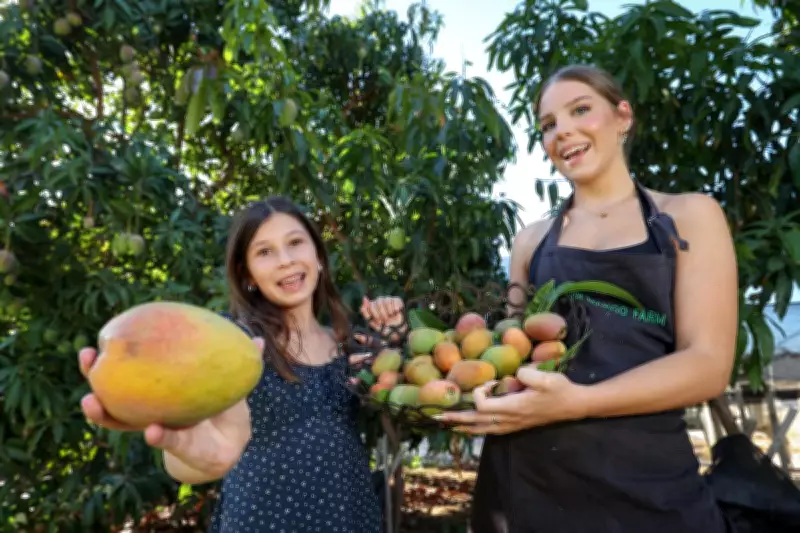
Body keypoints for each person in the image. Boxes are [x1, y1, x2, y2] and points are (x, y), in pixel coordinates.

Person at [435, 64, 740, 533]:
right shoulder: (532, 241)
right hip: (528, 486)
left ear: (623, 117)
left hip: (649, 485)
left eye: (581, 110)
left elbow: (708, 364)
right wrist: (448, 378)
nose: (564, 131)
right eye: (549, 125)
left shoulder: (690, 216)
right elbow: (510, 358)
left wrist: (579, 401)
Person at [77, 196, 406, 533]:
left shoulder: (347, 342)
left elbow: (403, 401)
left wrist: (391, 335)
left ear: (319, 256)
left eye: (295, 243)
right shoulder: (234, 343)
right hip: (264, 519)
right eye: (265, 252)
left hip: (350, 515)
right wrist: (187, 449)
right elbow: (190, 453)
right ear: (247, 274)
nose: (285, 260)